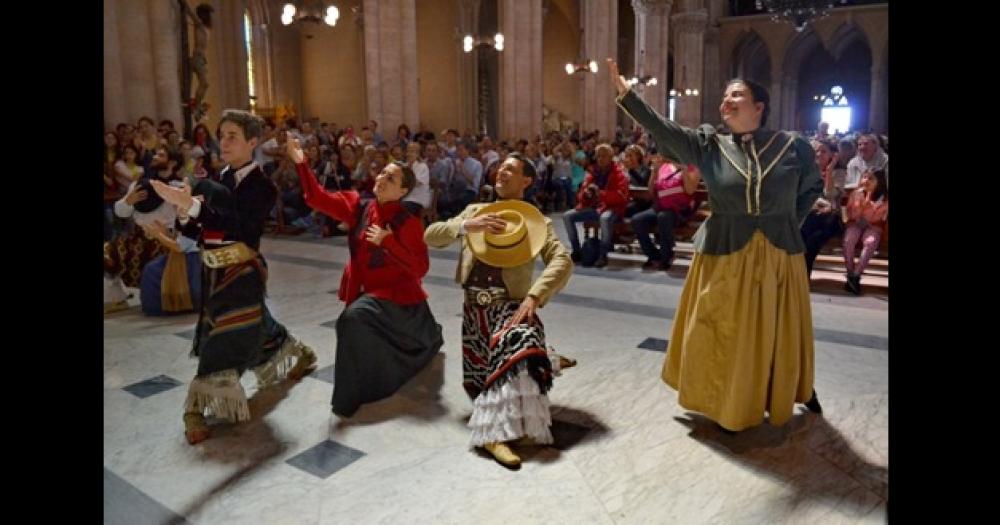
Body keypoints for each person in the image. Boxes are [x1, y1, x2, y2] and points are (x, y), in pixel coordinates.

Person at [608, 58, 824, 432]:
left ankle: (782, 390)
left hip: (778, 255)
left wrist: (789, 222)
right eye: (725, 97)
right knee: (721, 330)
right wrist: (629, 95)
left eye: (737, 95)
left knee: (776, 330)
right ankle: (725, 399)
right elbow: (664, 129)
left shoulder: (793, 147)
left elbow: (811, 188)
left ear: (759, 107)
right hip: (724, 252)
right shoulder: (709, 146)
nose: (727, 101)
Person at [151, 110, 317, 445]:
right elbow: (199, 229)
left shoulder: (263, 186)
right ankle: (296, 352)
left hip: (242, 271)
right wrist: (184, 212)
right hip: (213, 269)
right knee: (255, 326)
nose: (223, 142)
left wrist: (196, 207)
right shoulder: (219, 179)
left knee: (225, 337)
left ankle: (196, 408)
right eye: (221, 135)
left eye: (232, 136)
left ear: (252, 142)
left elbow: (241, 226)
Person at [425, 153, 575, 469]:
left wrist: (534, 297)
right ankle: (546, 357)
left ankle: (494, 436)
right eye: (500, 167)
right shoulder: (474, 210)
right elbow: (431, 236)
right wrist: (467, 226)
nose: (501, 172)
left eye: (510, 169)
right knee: (485, 379)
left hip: (510, 305)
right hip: (472, 310)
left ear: (526, 181)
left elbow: (562, 260)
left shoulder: (538, 222)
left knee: (520, 338)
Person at [287, 138, 443, 417]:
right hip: (365, 291)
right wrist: (301, 164)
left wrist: (389, 242)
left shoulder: (408, 221)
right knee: (352, 323)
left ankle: (351, 397)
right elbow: (317, 198)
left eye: (391, 178)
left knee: (350, 320)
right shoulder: (359, 205)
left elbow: (420, 268)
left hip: (396, 297)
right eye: (383, 173)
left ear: (404, 190)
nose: (382, 178)